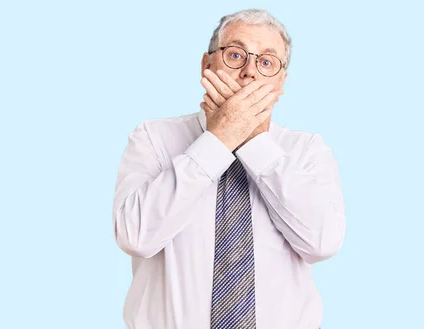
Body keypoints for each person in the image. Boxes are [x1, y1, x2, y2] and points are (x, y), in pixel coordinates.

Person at [112, 9, 346, 329]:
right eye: (236, 55)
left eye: (266, 62)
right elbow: (136, 236)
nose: (249, 72)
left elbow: (322, 243)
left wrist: (251, 140)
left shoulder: (307, 150)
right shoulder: (153, 137)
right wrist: (219, 139)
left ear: (280, 82)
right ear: (207, 65)